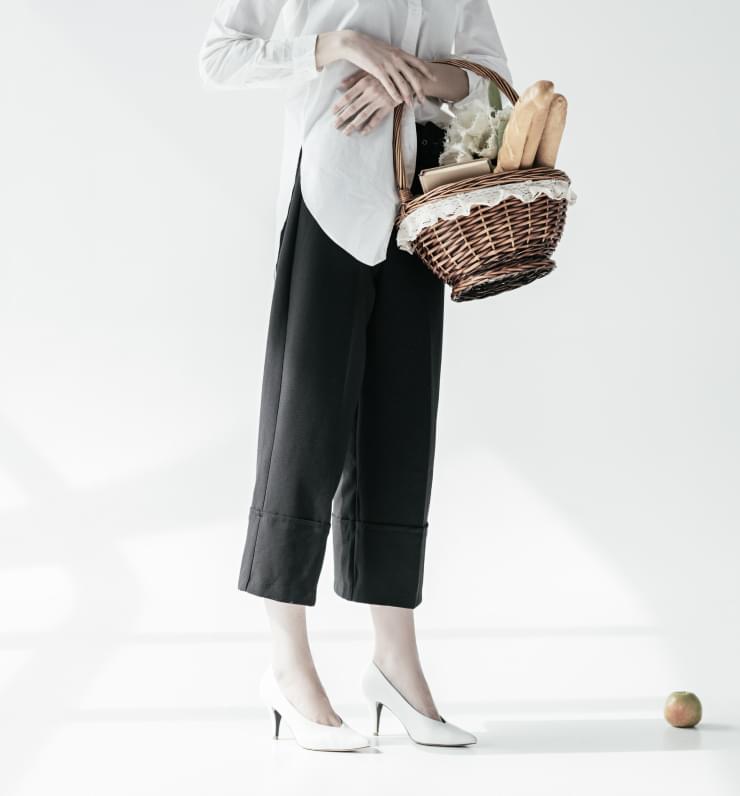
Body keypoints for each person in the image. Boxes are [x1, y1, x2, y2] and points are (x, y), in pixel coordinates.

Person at [198, 0, 512, 751]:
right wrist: (335, 45)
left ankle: (394, 663)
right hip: (328, 193)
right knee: (303, 429)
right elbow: (219, 57)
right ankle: (287, 663)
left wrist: (415, 77)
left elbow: (495, 84)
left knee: (401, 431)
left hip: (423, 206)